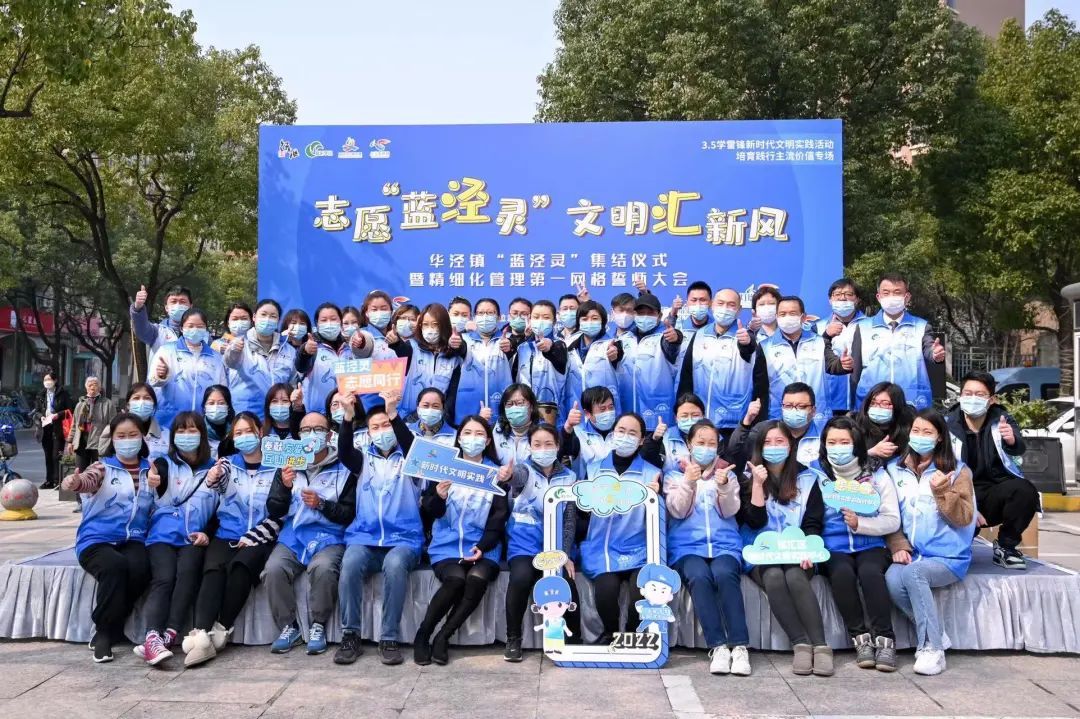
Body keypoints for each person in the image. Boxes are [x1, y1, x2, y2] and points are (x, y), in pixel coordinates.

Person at [182, 412, 280, 667]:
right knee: (213, 569)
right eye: (238, 433)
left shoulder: (277, 466)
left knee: (240, 568)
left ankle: (221, 630)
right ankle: (201, 633)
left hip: (262, 537)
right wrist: (213, 476)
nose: (244, 437)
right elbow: (218, 479)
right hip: (227, 532)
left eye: (249, 431)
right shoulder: (228, 463)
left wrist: (254, 536)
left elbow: (281, 512)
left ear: (260, 432)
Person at [884, 408, 976, 676]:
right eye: (916, 431)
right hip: (913, 553)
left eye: (928, 432)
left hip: (949, 557)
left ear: (939, 437)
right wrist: (898, 544)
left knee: (914, 573)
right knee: (892, 579)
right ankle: (936, 633)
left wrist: (942, 491)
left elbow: (964, 518)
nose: (920, 436)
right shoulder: (895, 469)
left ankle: (932, 649)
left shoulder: (958, 471)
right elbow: (890, 515)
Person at [414, 415, 510, 666]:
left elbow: (498, 517)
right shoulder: (445, 468)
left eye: (479, 434)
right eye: (467, 433)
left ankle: (443, 637)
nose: (472, 439)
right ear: (458, 437)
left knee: (477, 578)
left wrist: (483, 546)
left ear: (487, 440)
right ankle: (423, 633)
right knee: (456, 579)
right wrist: (439, 496)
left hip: (484, 546)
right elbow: (431, 512)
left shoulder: (495, 474)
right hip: (446, 545)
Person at [334, 390, 421, 666]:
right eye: (375, 427)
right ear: (369, 433)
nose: (382, 431)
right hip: (365, 536)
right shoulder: (363, 460)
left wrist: (393, 413)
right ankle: (350, 635)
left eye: (386, 425)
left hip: (404, 538)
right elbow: (344, 452)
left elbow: (411, 447)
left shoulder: (411, 459)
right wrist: (348, 417)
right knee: (350, 563)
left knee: (395, 565)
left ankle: (389, 637)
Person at [739, 420, 831, 677]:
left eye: (779, 441)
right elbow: (754, 521)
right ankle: (800, 644)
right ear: (759, 447)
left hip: (798, 551)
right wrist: (758, 485)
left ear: (791, 445)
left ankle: (821, 647)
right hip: (762, 553)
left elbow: (813, 523)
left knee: (794, 575)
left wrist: (808, 550)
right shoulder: (748, 478)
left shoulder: (809, 479)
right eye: (767, 442)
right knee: (774, 576)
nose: (774, 447)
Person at [62, 412, 155, 663]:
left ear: (142, 437)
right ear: (112, 439)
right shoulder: (102, 467)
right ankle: (104, 632)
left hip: (134, 538)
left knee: (141, 568)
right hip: (97, 539)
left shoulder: (150, 470)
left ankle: (113, 626)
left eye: (133, 435)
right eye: (121, 436)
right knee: (114, 566)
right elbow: (87, 481)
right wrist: (75, 482)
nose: (127, 440)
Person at [263, 411, 357, 655]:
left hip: (331, 534)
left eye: (318, 429)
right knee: (273, 569)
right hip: (294, 534)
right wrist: (284, 488)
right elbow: (274, 508)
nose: (311, 434)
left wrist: (322, 504)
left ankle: (318, 625)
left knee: (323, 568)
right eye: (305, 430)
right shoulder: (288, 464)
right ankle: (289, 627)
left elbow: (349, 513)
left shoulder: (345, 468)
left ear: (329, 435)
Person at [664, 419, 750, 676]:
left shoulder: (728, 474)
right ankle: (718, 646)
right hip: (687, 548)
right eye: (700, 442)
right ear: (689, 444)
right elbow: (677, 511)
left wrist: (724, 488)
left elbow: (730, 511)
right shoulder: (674, 475)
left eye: (711, 443)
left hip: (725, 546)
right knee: (699, 576)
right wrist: (688, 483)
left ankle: (740, 646)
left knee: (724, 574)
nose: (706, 447)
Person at [816, 416, 900, 672]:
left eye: (844, 442)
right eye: (832, 442)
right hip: (833, 547)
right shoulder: (816, 474)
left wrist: (860, 524)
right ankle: (860, 639)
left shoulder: (877, 474)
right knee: (841, 573)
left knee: (870, 573)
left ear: (857, 444)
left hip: (871, 545)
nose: (837, 448)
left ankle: (885, 640)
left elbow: (892, 520)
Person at [137, 411, 219, 666]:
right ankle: (152, 636)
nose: (186, 435)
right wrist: (151, 480)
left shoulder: (215, 470)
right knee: (164, 577)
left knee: (187, 573)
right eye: (181, 431)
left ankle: (169, 634)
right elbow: (153, 478)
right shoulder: (164, 464)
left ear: (202, 435)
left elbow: (221, 509)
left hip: (193, 537)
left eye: (192, 430)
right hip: (162, 536)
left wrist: (208, 533)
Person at [579, 412, 662, 643]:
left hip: (639, 549)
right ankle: (611, 634)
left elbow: (661, 517)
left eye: (632, 433)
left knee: (641, 590)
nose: (625, 436)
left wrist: (656, 498)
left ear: (642, 440)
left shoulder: (652, 474)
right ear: (613, 434)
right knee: (606, 589)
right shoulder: (594, 469)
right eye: (621, 431)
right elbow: (582, 512)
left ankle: (633, 636)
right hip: (602, 549)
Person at [503, 423, 580, 662]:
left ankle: (574, 641)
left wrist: (564, 554)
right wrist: (508, 476)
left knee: (567, 583)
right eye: (537, 444)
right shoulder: (525, 470)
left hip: (554, 547)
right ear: (530, 447)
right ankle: (513, 638)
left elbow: (569, 519)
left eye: (548, 444)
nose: (542, 449)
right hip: (524, 545)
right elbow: (516, 477)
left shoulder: (569, 477)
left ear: (557, 446)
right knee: (521, 578)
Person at [945, 370, 1035, 569]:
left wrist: (1011, 439)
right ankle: (960, 540)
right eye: (968, 393)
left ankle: (1006, 546)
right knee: (956, 553)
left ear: (991, 399)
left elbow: (1018, 447)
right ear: (960, 396)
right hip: (961, 494)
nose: (972, 398)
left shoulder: (1002, 419)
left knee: (1024, 491)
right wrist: (968, 506)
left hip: (995, 491)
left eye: (979, 394)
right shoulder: (947, 424)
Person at [828, 272, 946, 411]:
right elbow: (856, 371)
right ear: (879, 297)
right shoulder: (863, 327)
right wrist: (855, 409)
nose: (891, 297)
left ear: (907, 297)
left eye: (897, 292)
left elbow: (929, 348)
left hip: (911, 401)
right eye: (886, 292)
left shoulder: (921, 326)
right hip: (872, 401)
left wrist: (935, 354)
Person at [753, 295, 849, 428]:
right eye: (782, 314)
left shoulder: (819, 341)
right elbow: (760, 388)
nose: (787, 317)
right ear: (776, 317)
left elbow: (832, 364)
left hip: (816, 417)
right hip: (780, 417)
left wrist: (843, 365)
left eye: (792, 313)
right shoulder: (765, 346)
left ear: (803, 317)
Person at [677, 287, 756, 436]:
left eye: (731, 305)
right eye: (720, 303)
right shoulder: (699, 335)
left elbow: (749, 352)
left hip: (733, 423)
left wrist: (747, 343)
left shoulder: (745, 338)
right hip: (700, 421)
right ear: (712, 305)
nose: (725, 309)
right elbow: (686, 377)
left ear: (739, 310)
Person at [148, 308, 227, 430]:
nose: (195, 329)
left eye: (200, 326)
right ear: (181, 328)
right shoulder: (166, 351)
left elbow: (222, 389)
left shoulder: (215, 357)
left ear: (206, 329)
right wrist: (161, 376)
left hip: (202, 423)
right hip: (168, 422)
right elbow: (153, 382)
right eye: (190, 326)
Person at [224, 299, 299, 417]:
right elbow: (230, 362)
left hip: (277, 416)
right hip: (245, 417)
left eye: (273, 316)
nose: (267, 319)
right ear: (254, 317)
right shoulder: (240, 344)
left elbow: (293, 383)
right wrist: (233, 351)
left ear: (278, 320)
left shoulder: (288, 350)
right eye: (263, 314)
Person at [390, 302, 466, 419]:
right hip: (409, 418)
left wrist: (444, 417)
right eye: (425, 325)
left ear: (444, 326)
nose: (430, 329)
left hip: (438, 418)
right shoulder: (412, 347)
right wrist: (396, 343)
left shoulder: (453, 357)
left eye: (435, 325)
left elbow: (452, 394)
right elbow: (402, 351)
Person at [296, 302, 372, 417]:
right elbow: (301, 367)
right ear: (317, 324)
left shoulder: (349, 347)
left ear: (340, 322)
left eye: (333, 319)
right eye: (324, 320)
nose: (329, 323)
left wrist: (361, 345)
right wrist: (305, 352)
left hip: (349, 413)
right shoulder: (311, 347)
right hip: (319, 415)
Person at [623, 293, 682, 431]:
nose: (645, 317)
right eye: (641, 313)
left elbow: (671, 346)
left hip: (657, 415)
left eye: (650, 313)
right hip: (628, 415)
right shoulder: (625, 339)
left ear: (659, 316)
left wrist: (675, 339)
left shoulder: (664, 337)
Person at [729, 383, 822, 470]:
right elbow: (734, 451)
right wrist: (747, 420)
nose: (794, 410)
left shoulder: (823, 435)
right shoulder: (765, 429)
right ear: (782, 407)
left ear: (813, 410)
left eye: (801, 406)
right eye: (788, 406)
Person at [564, 300, 625, 418]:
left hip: (604, 411)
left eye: (595, 318)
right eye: (584, 319)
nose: (589, 322)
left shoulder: (612, 344)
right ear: (578, 322)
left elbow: (617, 355)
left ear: (603, 321)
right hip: (576, 412)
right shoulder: (568, 347)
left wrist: (614, 355)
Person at [456, 297, 514, 421]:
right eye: (481, 313)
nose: (485, 317)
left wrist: (511, 347)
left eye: (490, 313)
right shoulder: (463, 339)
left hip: (501, 404)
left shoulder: (509, 339)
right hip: (468, 408)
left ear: (499, 317)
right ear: (474, 317)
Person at [514, 299, 568, 426]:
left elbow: (559, 358)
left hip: (554, 416)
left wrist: (550, 348)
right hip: (525, 416)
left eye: (546, 317)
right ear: (530, 319)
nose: (540, 321)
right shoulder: (522, 348)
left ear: (554, 321)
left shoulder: (560, 345)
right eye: (536, 317)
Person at [816, 279, 865, 414]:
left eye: (848, 294)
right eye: (837, 294)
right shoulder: (818, 327)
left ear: (857, 299)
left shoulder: (870, 325)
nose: (842, 298)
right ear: (830, 300)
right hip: (830, 400)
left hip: (863, 399)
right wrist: (826, 335)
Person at [853, 382, 913, 472]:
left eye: (885, 403)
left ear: (897, 405)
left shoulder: (909, 427)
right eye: (873, 403)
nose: (877, 407)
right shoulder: (855, 425)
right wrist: (871, 452)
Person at [67, 376, 115, 472]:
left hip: (100, 443)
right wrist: (70, 441)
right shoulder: (80, 404)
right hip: (82, 442)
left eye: (95, 385)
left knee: (99, 472)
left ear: (99, 388)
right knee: (80, 472)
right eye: (90, 385)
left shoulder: (108, 404)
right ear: (86, 388)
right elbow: (75, 424)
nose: (92, 387)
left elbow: (113, 425)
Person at [130, 284, 194, 356]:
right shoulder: (157, 332)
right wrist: (138, 308)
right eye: (173, 301)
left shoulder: (200, 333)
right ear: (166, 307)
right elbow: (142, 330)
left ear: (191, 306)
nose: (178, 305)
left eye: (183, 302)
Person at [36, 370, 73, 489]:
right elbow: (37, 411)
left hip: (58, 427)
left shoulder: (63, 393)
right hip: (45, 427)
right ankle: (49, 480)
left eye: (49, 379)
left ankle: (58, 480)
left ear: (55, 380)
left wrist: (58, 415)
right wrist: (41, 416)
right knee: (47, 455)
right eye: (45, 380)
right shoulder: (41, 394)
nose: (47, 382)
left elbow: (70, 410)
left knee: (56, 455)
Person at [118, 383, 170, 459]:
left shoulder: (166, 434)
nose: (142, 402)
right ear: (128, 405)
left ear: (153, 405)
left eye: (147, 398)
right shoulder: (115, 430)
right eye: (136, 398)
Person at [493, 383, 541, 465]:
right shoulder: (495, 431)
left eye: (520, 403)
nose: (514, 408)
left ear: (532, 407)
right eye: (509, 404)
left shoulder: (542, 432)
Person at [202, 385, 234, 457]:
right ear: (204, 407)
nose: (216, 407)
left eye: (221, 403)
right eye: (211, 403)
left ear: (228, 406)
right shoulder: (199, 430)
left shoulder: (237, 429)